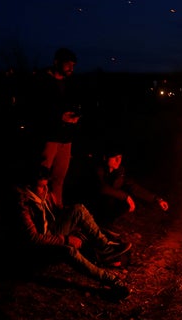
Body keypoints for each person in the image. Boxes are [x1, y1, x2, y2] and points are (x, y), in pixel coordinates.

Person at [12, 165, 132, 299]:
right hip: (37, 249)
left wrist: (75, 225)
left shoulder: (45, 191)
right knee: (68, 250)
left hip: (52, 232)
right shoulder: (23, 203)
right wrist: (67, 239)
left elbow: (57, 212)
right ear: (28, 186)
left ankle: (106, 249)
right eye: (39, 186)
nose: (43, 189)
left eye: (45, 185)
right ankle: (111, 281)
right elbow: (33, 238)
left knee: (78, 210)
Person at [21, 47, 82, 208]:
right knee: (41, 177)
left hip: (65, 137)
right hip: (49, 136)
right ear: (57, 62)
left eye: (73, 65)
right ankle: (35, 210)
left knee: (59, 178)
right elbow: (36, 108)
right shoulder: (42, 80)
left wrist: (75, 116)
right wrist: (59, 116)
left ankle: (56, 210)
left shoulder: (69, 83)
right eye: (68, 64)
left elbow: (74, 102)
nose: (71, 68)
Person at [87, 143, 169, 236]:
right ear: (105, 157)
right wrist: (126, 196)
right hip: (90, 204)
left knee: (124, 203)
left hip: (105, 204)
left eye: (120, 157)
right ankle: (96, 224)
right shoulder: (97, 168)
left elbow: (133, 187)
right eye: (115, 157)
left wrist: (157, 199)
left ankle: (105, 224)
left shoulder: (119, 171)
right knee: (118, 198)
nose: (118, 160)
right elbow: (102, 188)